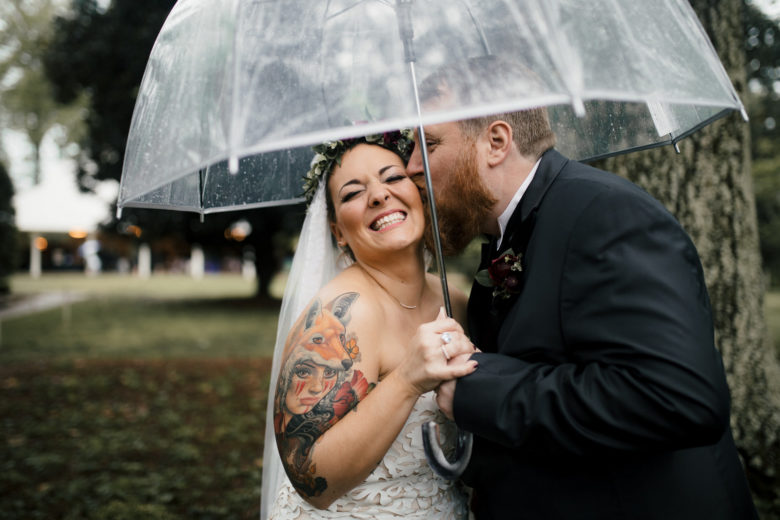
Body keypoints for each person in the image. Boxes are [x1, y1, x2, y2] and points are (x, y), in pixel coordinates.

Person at [406, 58, 759, 519]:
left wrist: (479, 391)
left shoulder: (605, 215)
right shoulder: (504, 238)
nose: (410, 167)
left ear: (496, 142)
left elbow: (676, 398)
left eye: (428, 145)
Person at [261, 130, 476, 519]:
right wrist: (407, 379)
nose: (379, 195)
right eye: (352, 193)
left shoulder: (456, 300)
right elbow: (310, 480)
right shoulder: (339, 315)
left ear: (419, 194)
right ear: (338, 233)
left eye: (393, 177)